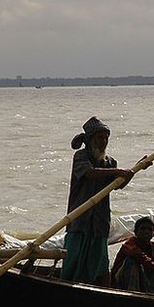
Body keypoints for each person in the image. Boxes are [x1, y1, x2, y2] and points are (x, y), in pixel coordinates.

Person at [60, 116, 138, 286]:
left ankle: (105, 290)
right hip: (79, 219)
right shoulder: (81, 157)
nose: (103, 142)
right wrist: (118, 172)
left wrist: (131, 174)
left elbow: (118, 186)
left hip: (100, 222)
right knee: (73, 259)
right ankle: (64, 287)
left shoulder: (110, 162)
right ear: (89, 140)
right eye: (99, 138)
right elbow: (89, 173)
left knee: (100, 262)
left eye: (105, 138)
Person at [110, 217, 154, 293]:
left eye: (150, 229)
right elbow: (140, 257)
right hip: (120, 283)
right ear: (136, 232)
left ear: (153, 233)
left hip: (142, 281)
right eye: (143, 229)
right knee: (132, 261)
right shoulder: (129, 245)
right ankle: (131, 294)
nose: (146, 232)